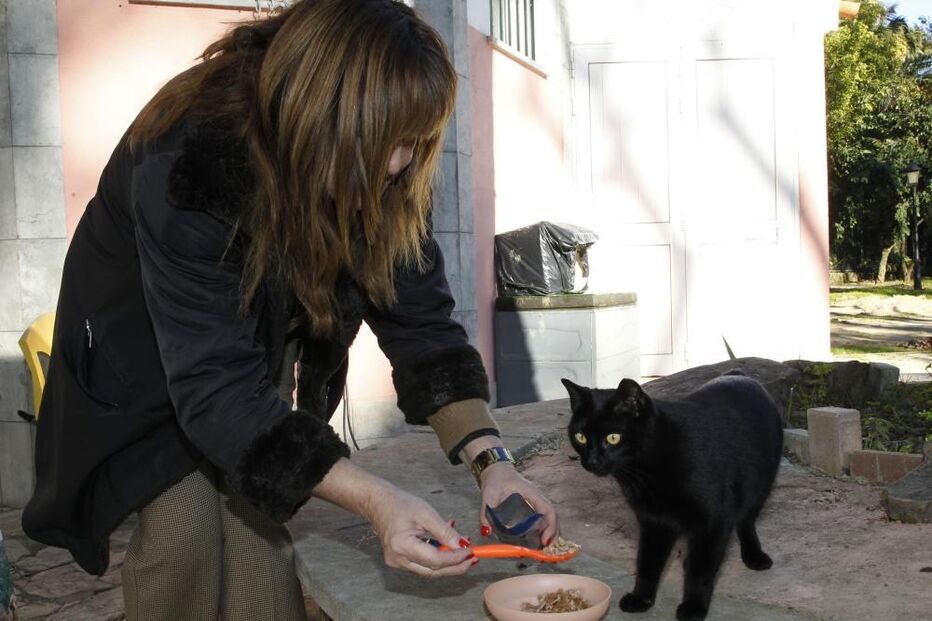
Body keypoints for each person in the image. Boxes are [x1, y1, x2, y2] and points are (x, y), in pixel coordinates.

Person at [21, 1, 558, 619]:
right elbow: (217, 392)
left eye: (411, 142)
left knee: (258, 521)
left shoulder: (385, 155)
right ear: (321, 116)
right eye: (384, 143)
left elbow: (422, 321)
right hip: (145, 338)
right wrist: (376, 500)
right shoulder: (192, 157)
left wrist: (492, 461)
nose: (397, 165)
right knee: (184, 529)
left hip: (252, 330)